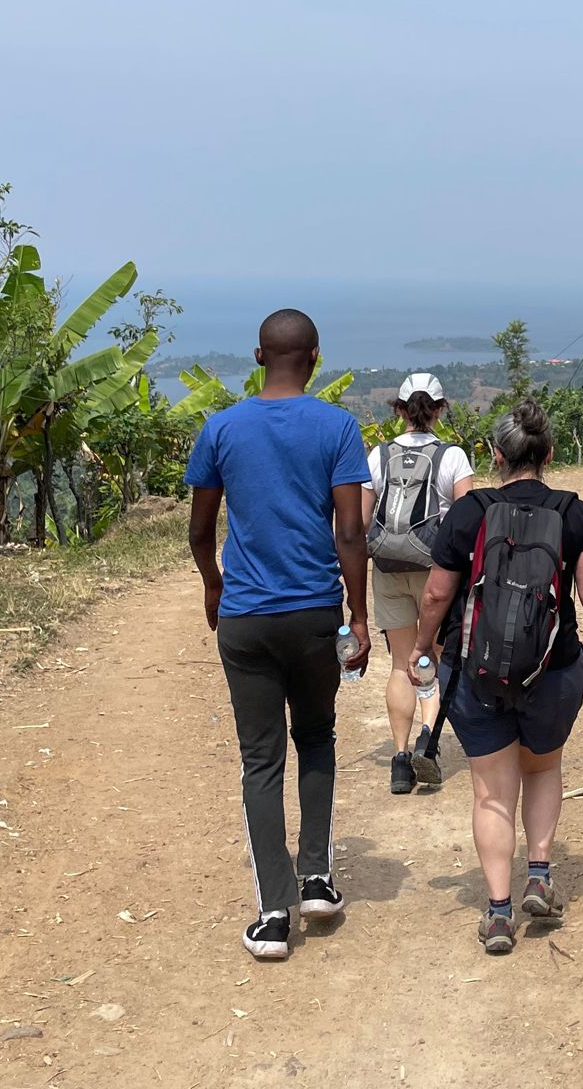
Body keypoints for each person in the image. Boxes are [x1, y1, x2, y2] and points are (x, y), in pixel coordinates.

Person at [409, 401, 583, 954]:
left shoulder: (469, 512)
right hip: (552, 669)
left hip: (476, 671)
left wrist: (421, 646)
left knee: (490, 792)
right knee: (544, 767)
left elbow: (436, 593)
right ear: (548, 455)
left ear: (496, 454)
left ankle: (499, 913)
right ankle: (538, 876)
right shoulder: (575, 514)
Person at [186, 308, 372, 962]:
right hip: (314, 614)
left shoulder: (221, 428)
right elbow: (350, 531)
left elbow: (200, 530)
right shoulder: (337, 427)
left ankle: (272, 913)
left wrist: (214, 585)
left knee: (260, 761)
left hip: (246, 620)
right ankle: (316, 878)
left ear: (259, 355)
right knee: (316, 737)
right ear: (315, 358)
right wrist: (358, 615)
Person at [363, 372, 475, 795]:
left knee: (399, 663)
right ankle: (429, 737)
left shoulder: (378, 456)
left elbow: (361, 519)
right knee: (433, 655)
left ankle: (399, 757)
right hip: (436, 572)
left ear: (399, 409)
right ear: (440, 409)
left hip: (388, 568)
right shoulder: (453, 457)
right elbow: (467, 520)